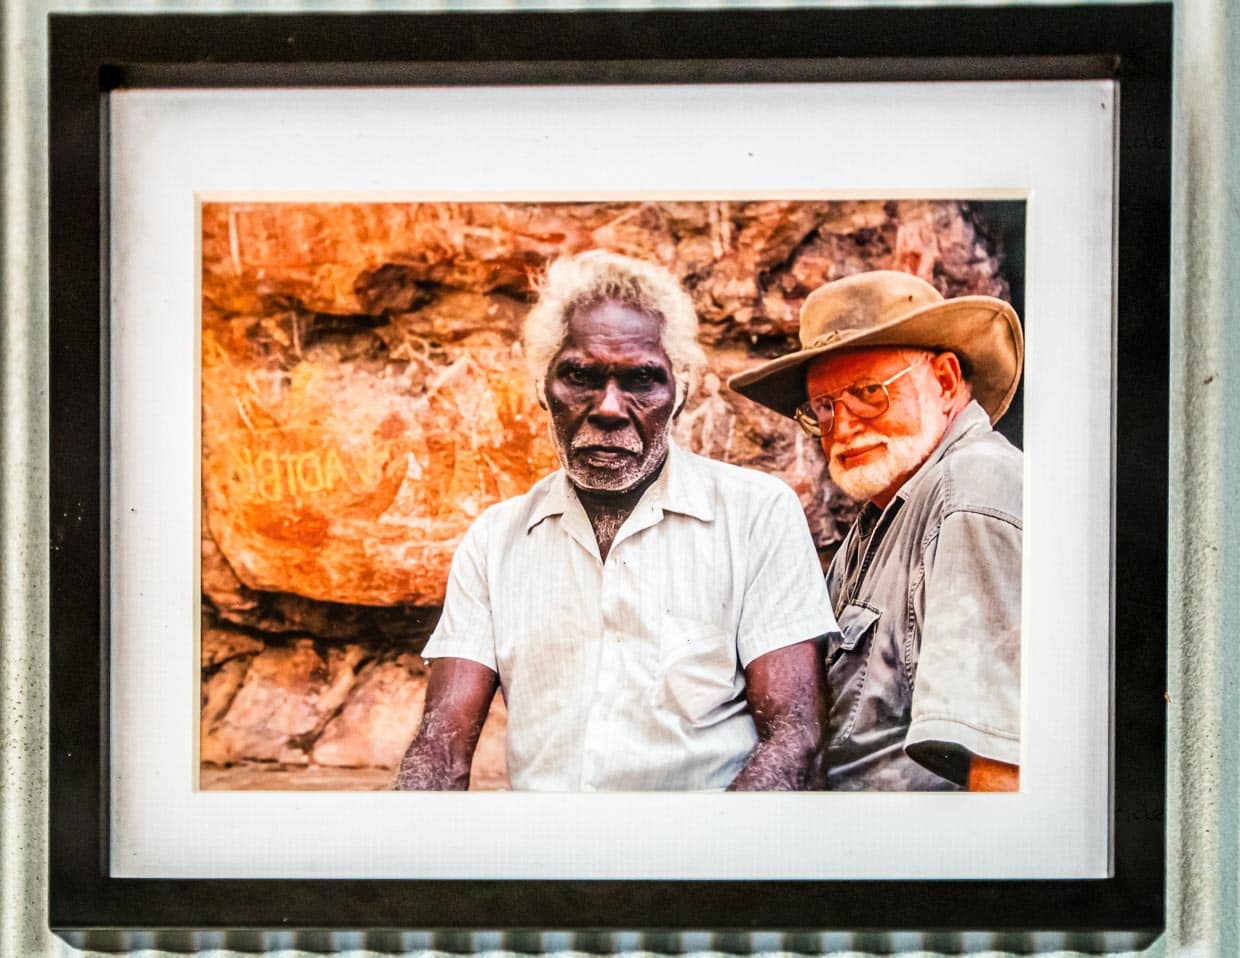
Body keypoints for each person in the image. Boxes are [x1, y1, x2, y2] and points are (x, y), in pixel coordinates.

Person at [396, 250, 837, 792]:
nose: (608, 407)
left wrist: (709, 867)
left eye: (641, 380)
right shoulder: (495, 540)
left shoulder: (756, 514)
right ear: (542, 390)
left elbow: (795, 738)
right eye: (580, 375)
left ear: (681, 395)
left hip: (703, 857)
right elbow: (441, 747)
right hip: (549, 861)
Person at [728, 269, 1023, 791]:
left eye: (869, 392)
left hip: (920, 867)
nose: (842, 428)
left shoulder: (972, 485)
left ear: (946, 382)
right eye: (824, 407)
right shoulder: (878, 523)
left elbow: (1001, 765)